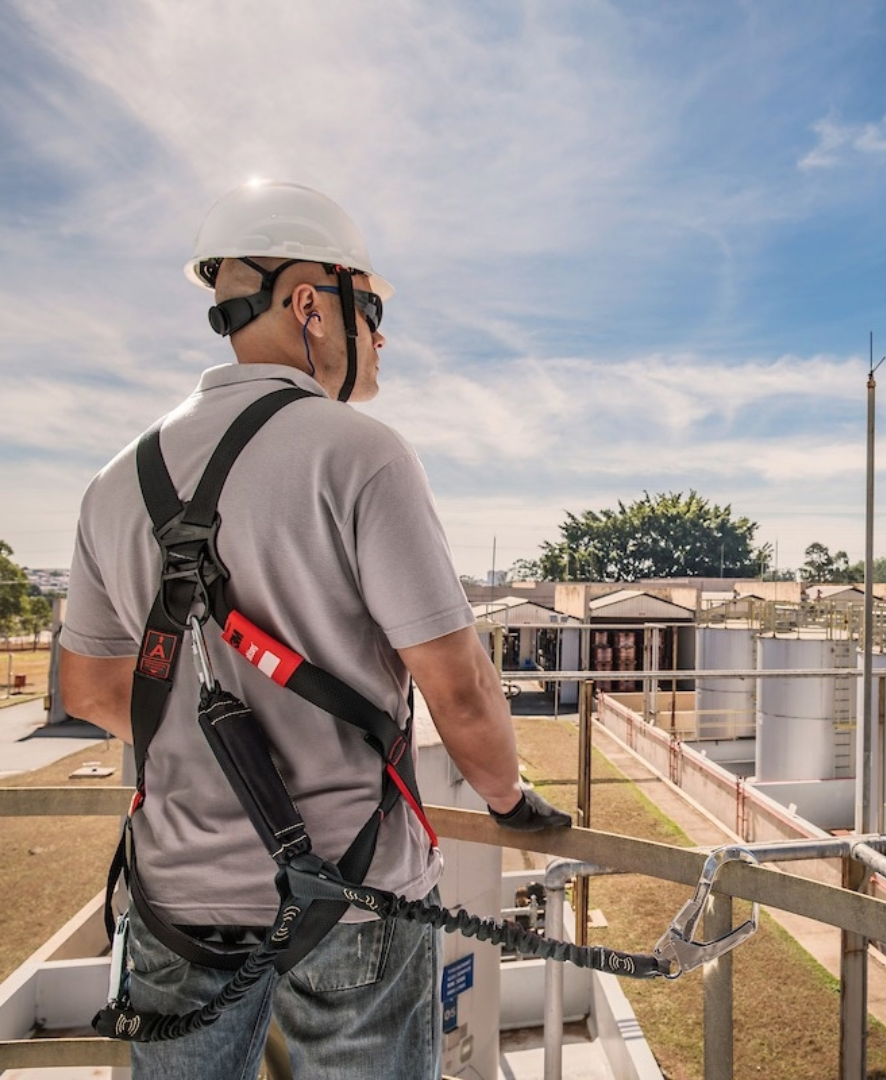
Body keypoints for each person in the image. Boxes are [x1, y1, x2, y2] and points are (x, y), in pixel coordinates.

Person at [59, 180, 570, 1080]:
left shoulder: (115, 480)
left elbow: (93, 692)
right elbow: (458, 685)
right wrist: (506, 798)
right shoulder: (359, 452)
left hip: (174, 902)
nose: (380, 337)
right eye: (369, 310)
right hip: (353, 899)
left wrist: (211, 758)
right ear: (309, 305)